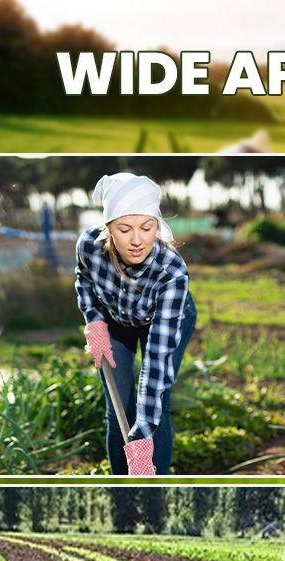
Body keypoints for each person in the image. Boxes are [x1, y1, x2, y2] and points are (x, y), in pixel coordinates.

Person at [75, 172, 196, 475]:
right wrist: (94, 322)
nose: (137, 240)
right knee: (117, 409)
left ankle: (155, 487)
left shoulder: (171, 272)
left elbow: (156, 362)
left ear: (158, 225)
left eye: (147, 227)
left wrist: (142, 434)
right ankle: (121, 488)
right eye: (124, 229)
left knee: (155, 411)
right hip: (116, 320)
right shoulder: (89, 246)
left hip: (165, 320)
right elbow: (84, 279)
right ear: (108, 227)